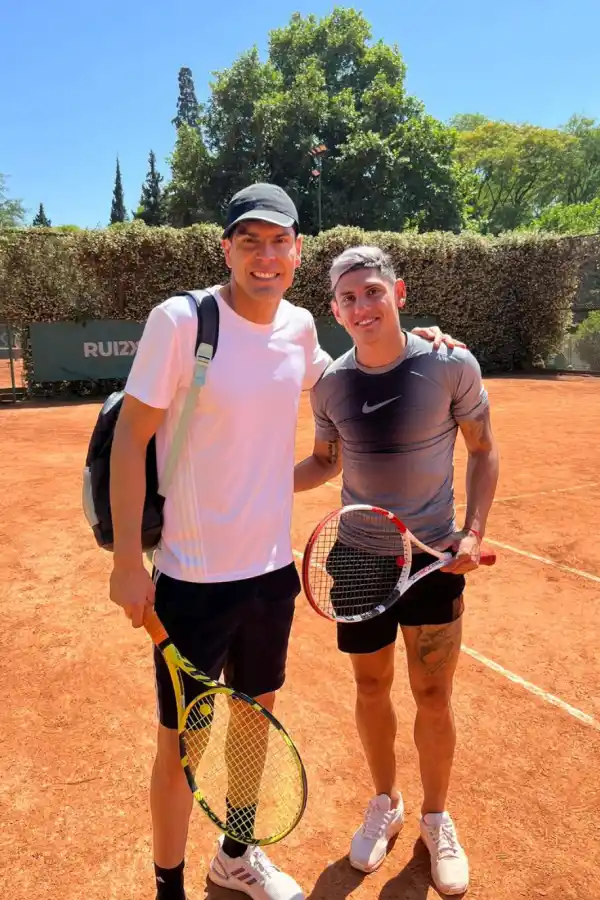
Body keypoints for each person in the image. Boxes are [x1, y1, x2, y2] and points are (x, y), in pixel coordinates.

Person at [108, 185, 460, 900]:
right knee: (181, 744)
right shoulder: (182, 320)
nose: (265, 257)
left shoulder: (300, 328)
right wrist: (124, 562)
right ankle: (168, 886)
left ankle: (234, 855)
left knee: (252, 722)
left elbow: (358, 374)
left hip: (271, 579)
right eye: (250, 242)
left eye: (280, 243)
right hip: (191, 579)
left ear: (297, 252)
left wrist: (425, 347)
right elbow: (130, 437)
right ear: (226, 248)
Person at [294, 245, 499, 896]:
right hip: (359, 558)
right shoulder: (330, 385)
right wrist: (259, 483)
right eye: (349, 297)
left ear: (399, 292)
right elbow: (326, 461)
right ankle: (386, 802)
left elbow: (484, 453)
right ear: (335, 309)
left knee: (434, 694)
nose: (362, 306)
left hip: (434, 556)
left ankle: (437, 818)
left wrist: (474, 531)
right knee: (371, 688)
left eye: (373, 292)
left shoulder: (449, 364)